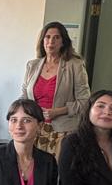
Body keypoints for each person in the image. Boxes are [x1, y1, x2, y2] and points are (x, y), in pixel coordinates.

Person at [22, 23, 90, 155]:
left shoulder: (75, 65)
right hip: (35, 129)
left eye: (56, 37)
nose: (51, 41)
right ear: (42, 41)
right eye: (47, 37)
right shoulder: (32, 65)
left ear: (63, 42)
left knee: (57, 167)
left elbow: (85, 101)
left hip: (63, 131)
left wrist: (58, 111)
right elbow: (24, 97)